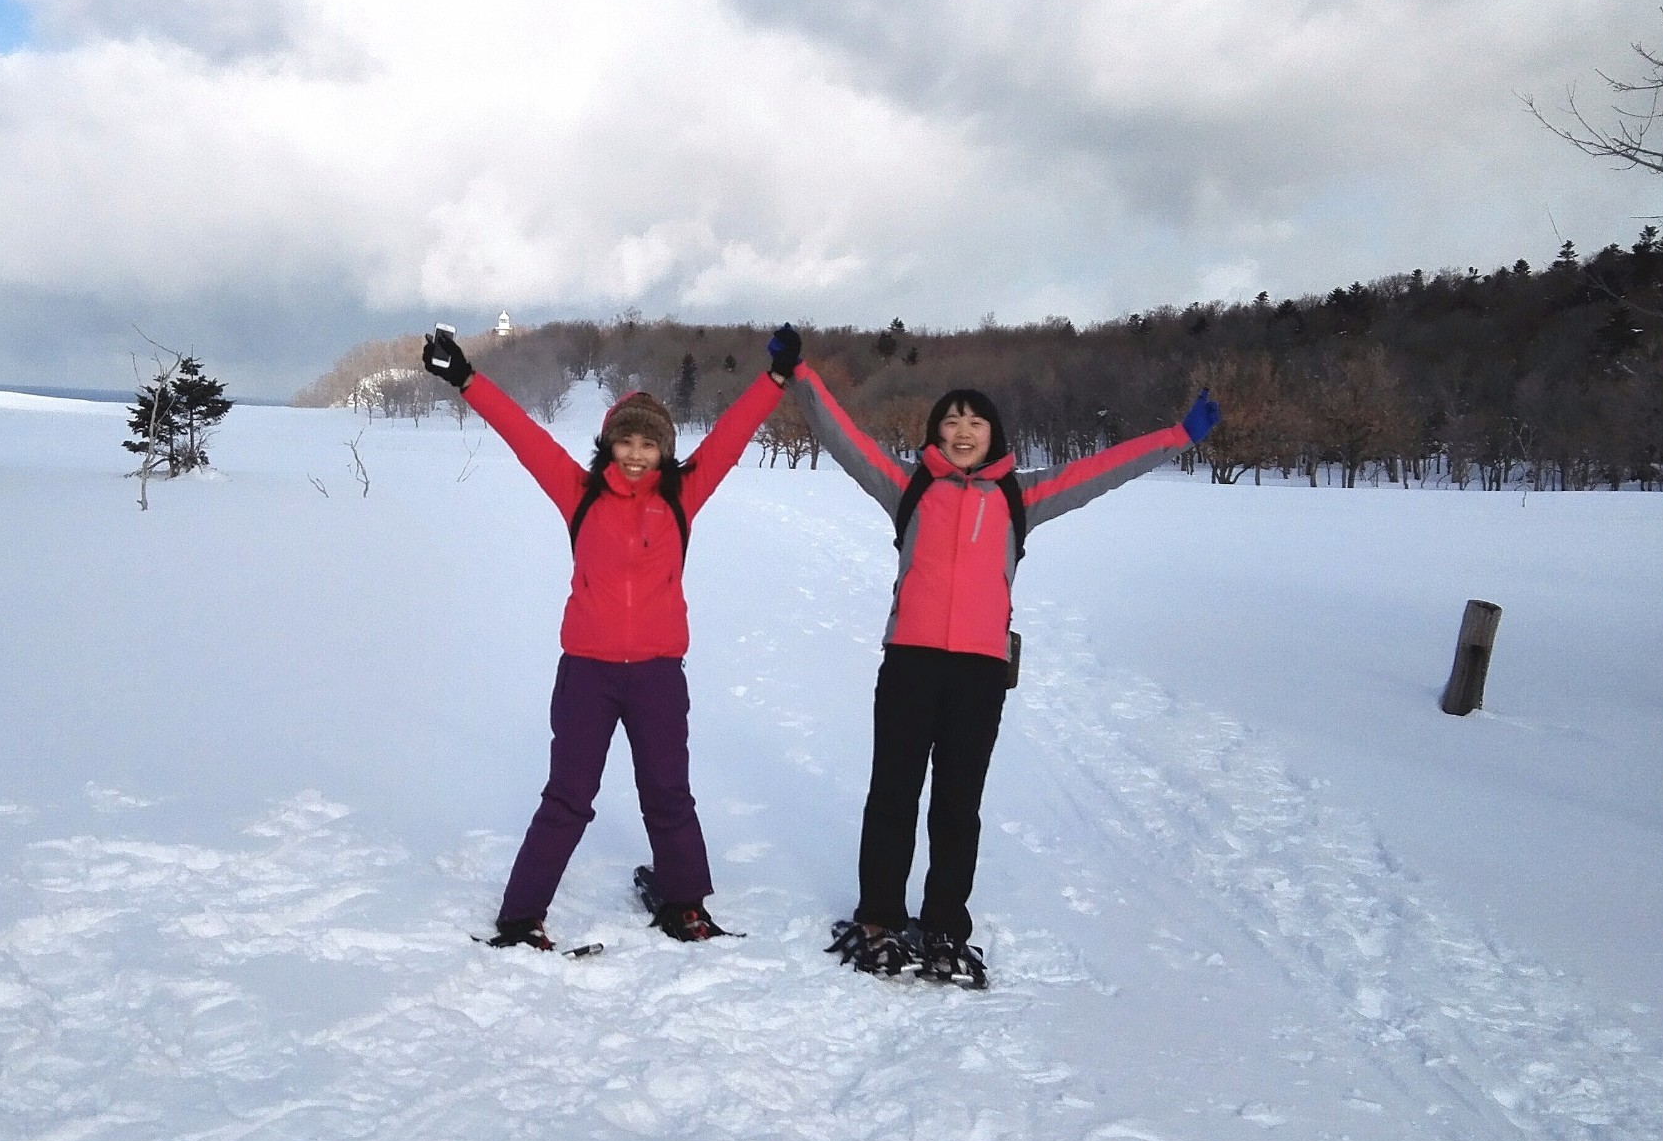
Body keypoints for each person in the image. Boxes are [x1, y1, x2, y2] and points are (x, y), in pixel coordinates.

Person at [787, 363, 1220, 986]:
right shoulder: (906, 485)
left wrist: (1177, 436)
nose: (963, 431)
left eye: (975, 421)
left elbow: (1098, 471)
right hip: (909, 662)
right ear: (934, 432)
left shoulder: (1023, 496)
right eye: (951, 421)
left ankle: (942, 927)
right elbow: (845, 437)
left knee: (958, 806)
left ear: (995, 434)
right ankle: (879, 918)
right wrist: (800, 374)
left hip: (980, 674)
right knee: (892, 795)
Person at [421, 326, 804, 949]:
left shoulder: (682, 496)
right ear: (606, 444)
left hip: (657, 674)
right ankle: (521, 915)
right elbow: (523, 434)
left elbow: (732, 438)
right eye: (624, 440)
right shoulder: (579, 493)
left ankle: (685, 904)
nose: (634, 453)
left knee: (668, 794)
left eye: (648, 443)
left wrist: (776, 380)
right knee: (567, 796)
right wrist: (467, 378)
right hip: (588, 674)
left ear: (664, 451)